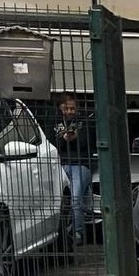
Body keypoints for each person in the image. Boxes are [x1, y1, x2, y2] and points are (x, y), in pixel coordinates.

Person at [53, 95, 94, 246]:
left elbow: (88, 141)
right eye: (66, 109)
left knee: (76, 199)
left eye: (72, 108)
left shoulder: (85, 122)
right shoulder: (54, 122)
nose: (69, 112)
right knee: (59, 200)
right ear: (60, 108)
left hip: (80, 164)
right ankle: (62, 233)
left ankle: (78, 233)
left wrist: (75, 137)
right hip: (61, 164)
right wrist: (62, 138)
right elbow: (52, 144)